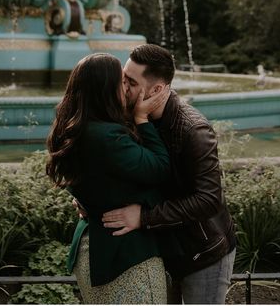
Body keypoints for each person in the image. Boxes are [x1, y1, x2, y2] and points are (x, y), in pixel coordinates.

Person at [102, 43, 237, 304]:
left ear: (157, 90)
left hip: (202, 253)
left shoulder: (193, 130)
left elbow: (209, 199)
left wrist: (145, 217)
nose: (122, 87)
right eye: (122, 78)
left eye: (130, 81)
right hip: (163, 249)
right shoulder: (130, 115)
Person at [46, 53, 171, 304]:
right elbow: (160, 168)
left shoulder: (76, 127)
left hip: (93, 249)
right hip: (126, 260)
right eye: (121, 81)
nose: (125, 87)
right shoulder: (107, 137)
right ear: (105, 89)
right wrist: (142, 119)